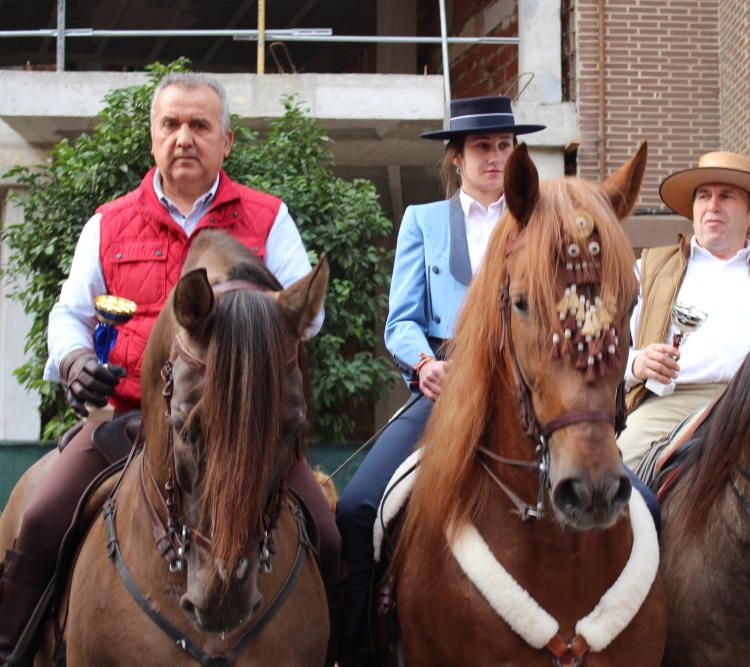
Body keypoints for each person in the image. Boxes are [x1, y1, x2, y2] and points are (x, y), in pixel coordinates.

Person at [0, 73, 340, 663]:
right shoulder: (108, 222)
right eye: (171, 125)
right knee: (40, 514)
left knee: (332, 536)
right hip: (125, 418)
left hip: (241, 427)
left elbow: (307, 319)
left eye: (200, 125)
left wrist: (249, 332)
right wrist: (76, 359)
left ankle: (348, 650)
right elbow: (69, 315)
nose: (184, 137)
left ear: (225, 141)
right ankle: (11, 647)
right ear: (153, 138)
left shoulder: (269, 218)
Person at [334, 95, 545, 666]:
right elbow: (400, 321)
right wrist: (425, 365)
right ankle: (353, 648)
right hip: (445, 387)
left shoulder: (539, 218)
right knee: (355, 508)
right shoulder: (422, 221)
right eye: (482, 147)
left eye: (505, 146)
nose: (496, 157)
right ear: (456, 157)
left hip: (528, 389)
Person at [618, 151, 750, 469]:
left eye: (727, 196)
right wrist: (637, 363)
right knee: (615, 470)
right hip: (670, 403)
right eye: (704, 196)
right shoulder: (647, 270)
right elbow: (599, 348)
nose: (712, 206)